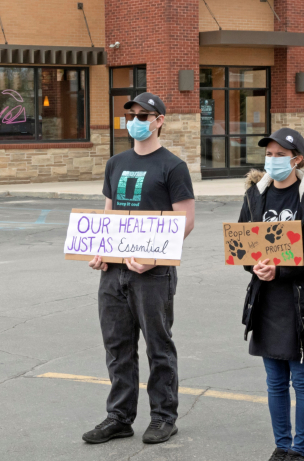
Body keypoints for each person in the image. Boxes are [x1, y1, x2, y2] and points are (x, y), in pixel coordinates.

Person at [81, 92, 196, 446]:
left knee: (158, 346)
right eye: (131, 114)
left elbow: (186, 221)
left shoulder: (172, 166)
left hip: (153, 272)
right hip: (114, 272)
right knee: (117, 345)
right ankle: (119, 416)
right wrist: (99, 249)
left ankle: (164, 416)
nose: (136, 121)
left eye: (144, 116)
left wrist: (155, 259)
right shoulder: (116, 162)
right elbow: (109, 213)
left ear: (160, 120)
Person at [238, 128, 304, 461]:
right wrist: (255, 267)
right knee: (274, 379)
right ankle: (282, 445)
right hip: (266, 300)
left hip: (302, 300)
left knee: (302, 377)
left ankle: (300, 449)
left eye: (280, 155)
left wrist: (282, 270)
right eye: (269, 154)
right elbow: (243, 245)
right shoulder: (256, 194)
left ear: (297, 159)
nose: (272, 160)